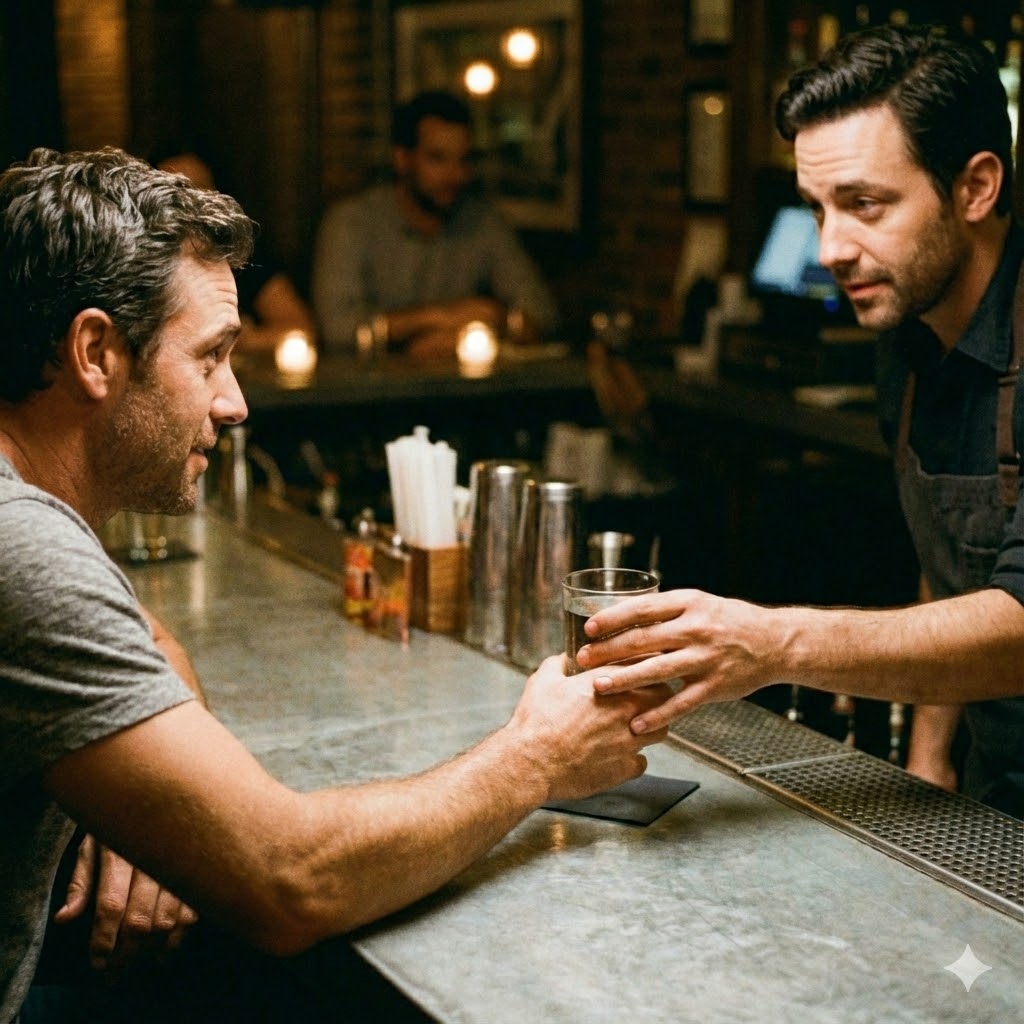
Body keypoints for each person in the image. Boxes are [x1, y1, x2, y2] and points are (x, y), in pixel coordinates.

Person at [0, 145, 671, 1022]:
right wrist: (536, 757)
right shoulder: (22, 545)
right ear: (95, 352)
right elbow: (289, 880)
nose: (235, 402)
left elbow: (147, 633)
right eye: (209, 358)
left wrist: (138, 802)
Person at [574, 23, 1024, 820]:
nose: (831, 248)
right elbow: (953, 563)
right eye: (816, 208)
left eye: (865, 205)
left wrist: (774, 644)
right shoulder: (908, 339)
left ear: (976, 188)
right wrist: (928, 761)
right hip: (996, 789)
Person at [311, 90, 559, 359]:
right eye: (438, 159)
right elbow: (336, 328)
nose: (456, 175)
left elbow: (542, 312)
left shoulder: (483, 221)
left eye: (464, 160)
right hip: (368, 393)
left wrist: (490, 324)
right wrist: (438, 318)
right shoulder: (352, 222)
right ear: (402, 158)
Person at [152, 146, 317, 353]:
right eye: (175, 192)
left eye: (198, 189)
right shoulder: (139, 263)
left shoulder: (240, 252)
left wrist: (239, 340)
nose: (188, 203)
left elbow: (301, 329)